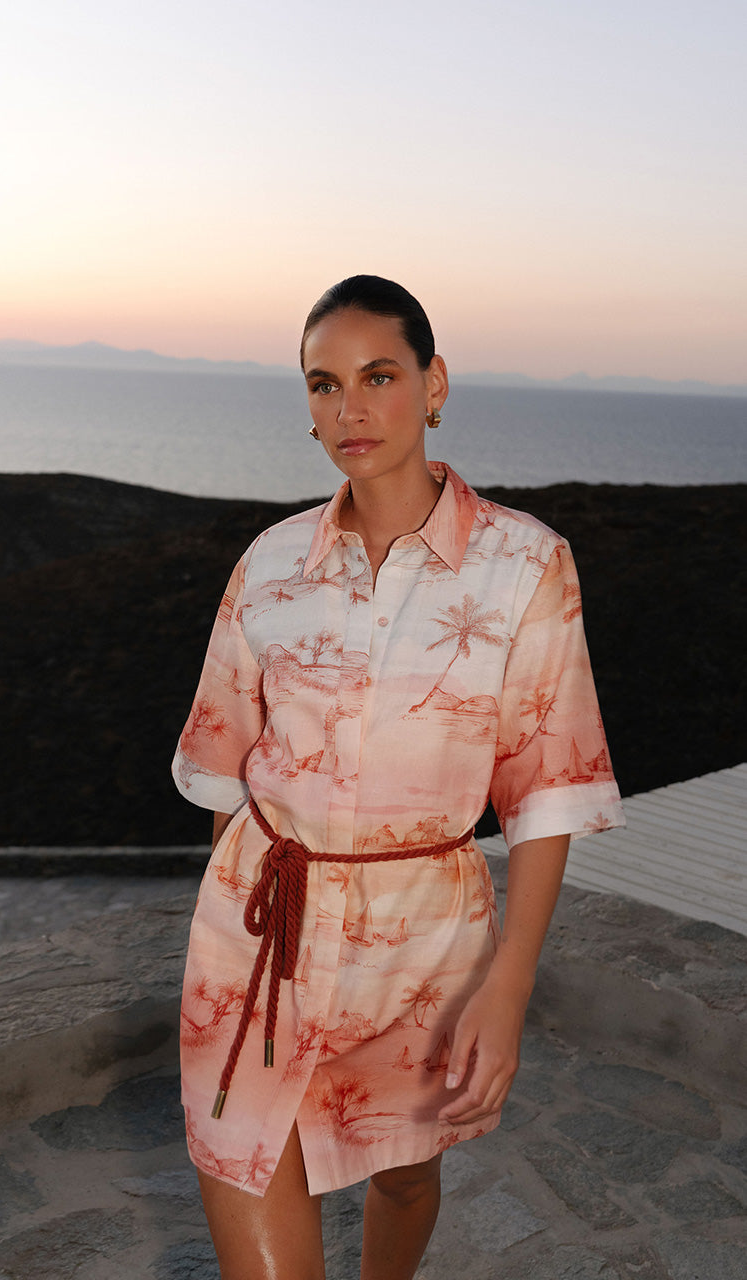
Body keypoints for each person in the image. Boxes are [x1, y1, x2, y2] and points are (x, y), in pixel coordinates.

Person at [171, 275, 624, 1279]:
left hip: (425, 956)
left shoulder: (526, 566)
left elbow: (546, 788)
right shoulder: (268, 565)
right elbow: (226, 774)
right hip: (259, 945)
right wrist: (236, 927)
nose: (351, 409)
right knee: (251, 1180)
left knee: (408, 1175)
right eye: (324, 384)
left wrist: (509, 984)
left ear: (434, 384)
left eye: (378, 376)